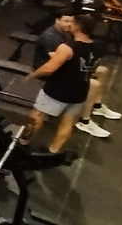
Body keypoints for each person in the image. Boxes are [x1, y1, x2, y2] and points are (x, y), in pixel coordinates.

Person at [24, 14, 100, 154]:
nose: (70, 24)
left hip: (58, 89)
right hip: (80, 91)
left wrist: (31, 76)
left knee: (37, 116)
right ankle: (53, 151)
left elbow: (48, 68)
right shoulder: (97, 47)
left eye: (73, 22)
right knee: (68, 122)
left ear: (77, 26)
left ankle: (22, 143)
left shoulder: (67, 48)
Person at [36, 11, 120, 137]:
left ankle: (97, 106)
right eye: (66, 21)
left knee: (103, 71)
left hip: (66, 65)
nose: (69, 24)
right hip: (49, 67)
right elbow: (57, 61)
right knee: (93, 85)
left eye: (71, 21)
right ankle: (85, 120)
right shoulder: (50, 37)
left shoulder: (68, 34)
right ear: (57, 20)